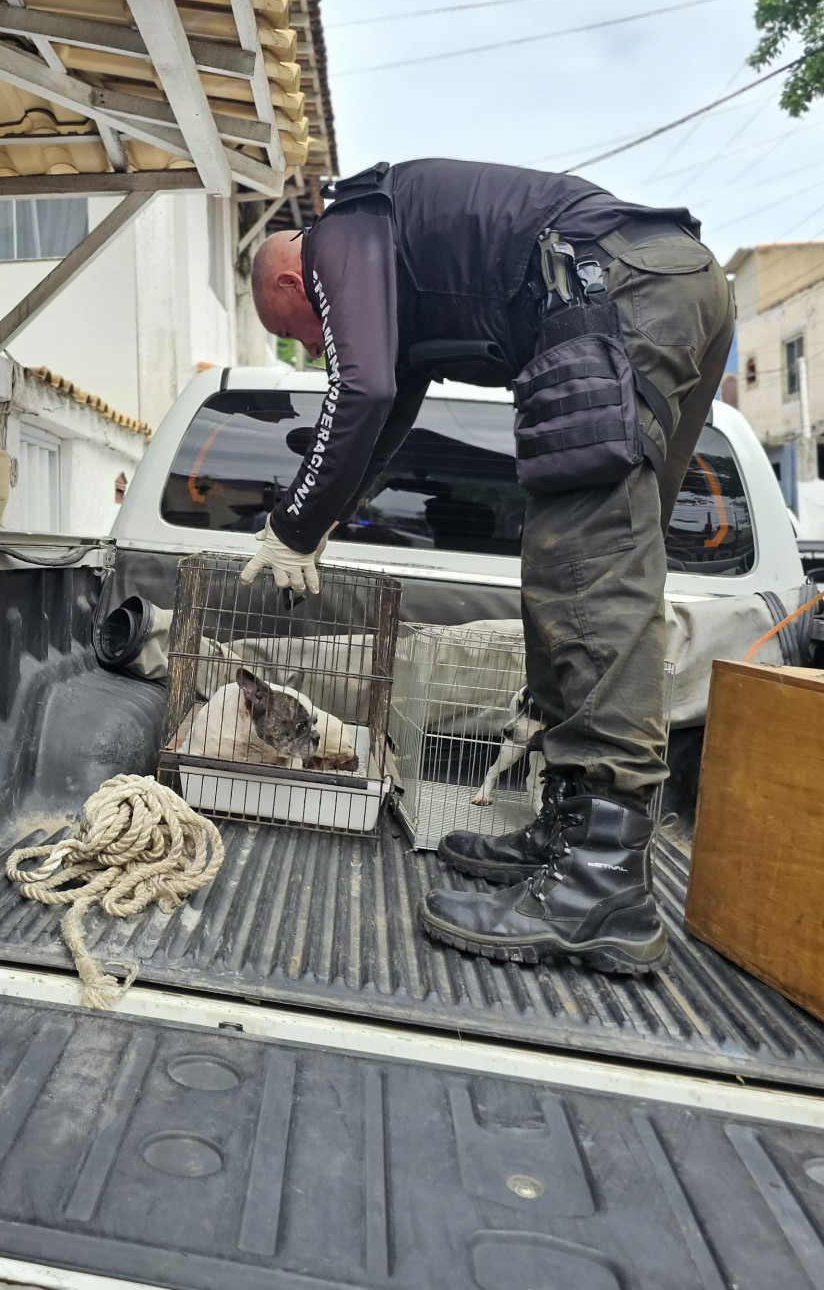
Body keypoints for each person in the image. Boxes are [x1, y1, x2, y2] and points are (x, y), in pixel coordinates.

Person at [246, 158, 734, 975]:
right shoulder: (400, 261)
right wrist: (324, 514)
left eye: (297, 328)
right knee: (611, 554)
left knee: (583, 561)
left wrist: (290, 525)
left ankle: (601, 888)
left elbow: (357, 391)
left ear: (294, 280)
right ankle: (571, 834)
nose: (309, 344)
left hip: (613, 291)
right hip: (673, 282)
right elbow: (389, 405)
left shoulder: (338, 235)